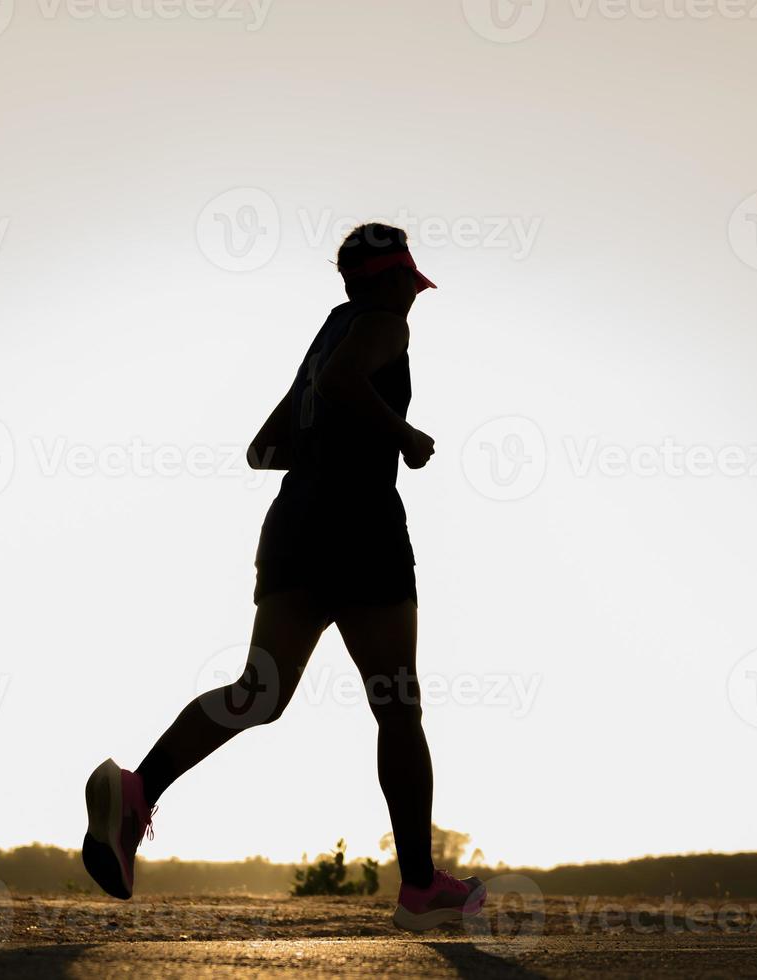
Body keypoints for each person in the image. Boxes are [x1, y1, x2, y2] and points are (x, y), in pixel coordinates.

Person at [82, 223, 485, 931]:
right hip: (362, 535)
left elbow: (264, 448)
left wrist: (327, 439)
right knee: (397, 706)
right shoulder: (383, 325)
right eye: (410, 285)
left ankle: (138, 787)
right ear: (394, 279)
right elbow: (340, 385)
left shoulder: (325, 335)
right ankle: (420, 887)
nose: (414, 300)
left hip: (294, 529)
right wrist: (402, 437)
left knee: (257, 692)